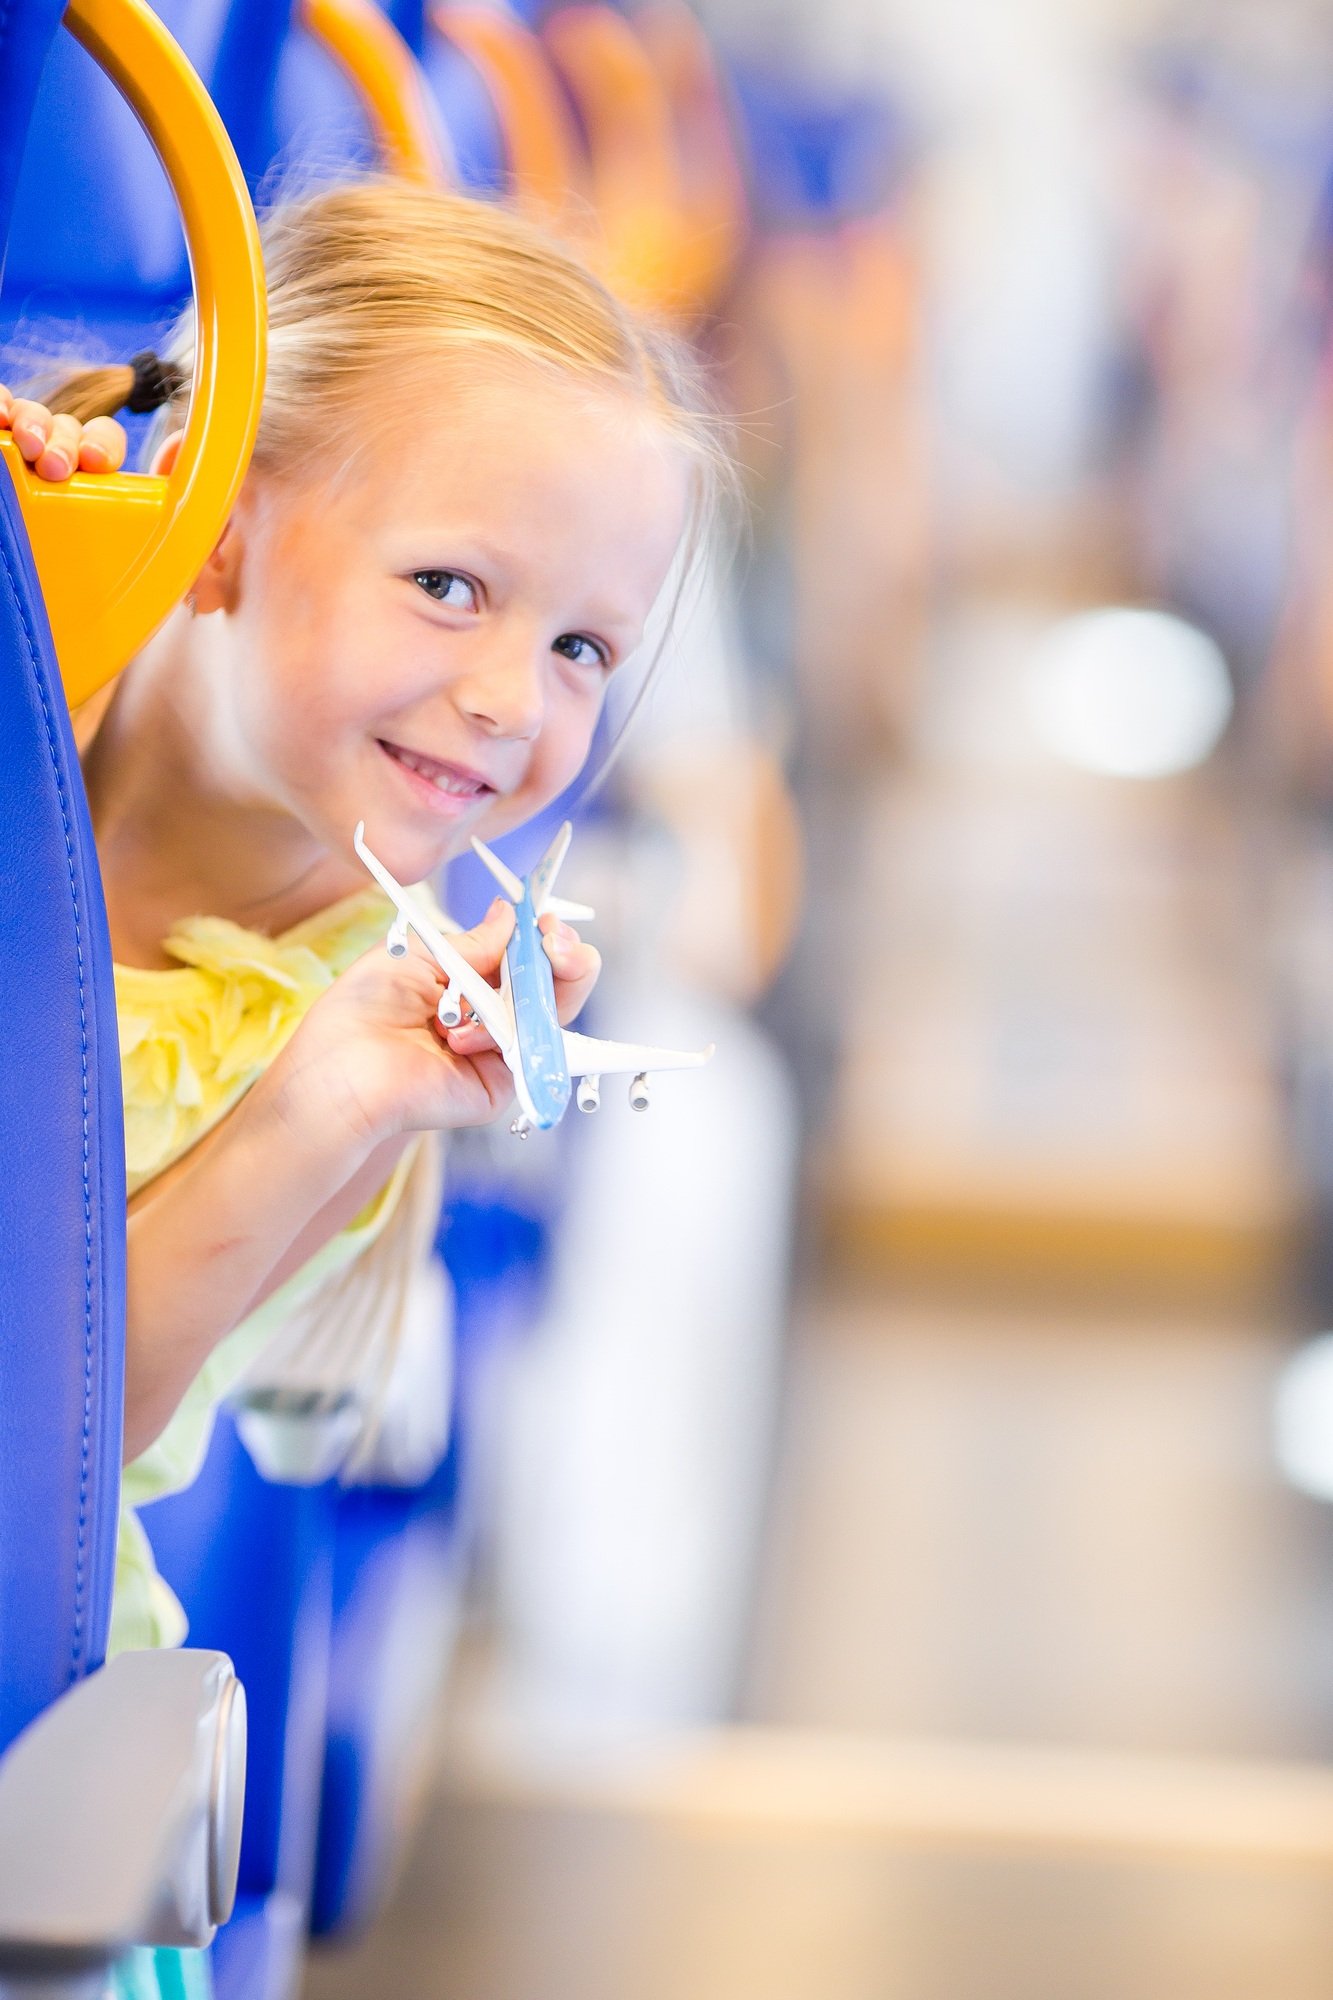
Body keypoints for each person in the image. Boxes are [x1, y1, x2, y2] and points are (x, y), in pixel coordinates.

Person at [3, 175, 724, 1997]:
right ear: (223, 532)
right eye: (450, 587)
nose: (507, 702)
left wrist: (320, 1109)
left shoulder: (367, 1024)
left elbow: (47, 1466)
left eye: (579, 648)